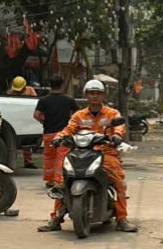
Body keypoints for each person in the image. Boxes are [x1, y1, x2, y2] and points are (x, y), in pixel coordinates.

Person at [39, 79, 137, 233]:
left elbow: (119, 127)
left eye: (98, 93)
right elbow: (68, 129)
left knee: (118, 181)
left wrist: (117, 135)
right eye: (92, 93)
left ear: (103, 95)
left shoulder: (112, 113)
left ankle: (122, 219)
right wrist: (59, 137)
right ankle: (56, 218)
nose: (95, 96)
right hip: (81, 152)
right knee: (63, 182)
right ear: (86, 95)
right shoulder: (79, 115)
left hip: (105, 153)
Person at [33, 76, 77, 214]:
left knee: (48, 157)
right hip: (63, 134)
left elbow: (36, 115)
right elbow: (77, 115)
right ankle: (59, 181)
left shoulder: (43, 100)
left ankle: (49, 180)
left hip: (48, 133)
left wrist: (44, 122)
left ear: (50, 85)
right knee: (61, 158)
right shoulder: (68, 100)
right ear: (62, 85)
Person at [6, 76, 37, 168]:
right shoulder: (10, 92)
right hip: (15, 118)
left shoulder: (30, 90)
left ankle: (28, 162)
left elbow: (35, 103)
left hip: (26, 118)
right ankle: (10, 162)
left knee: (27, 142)